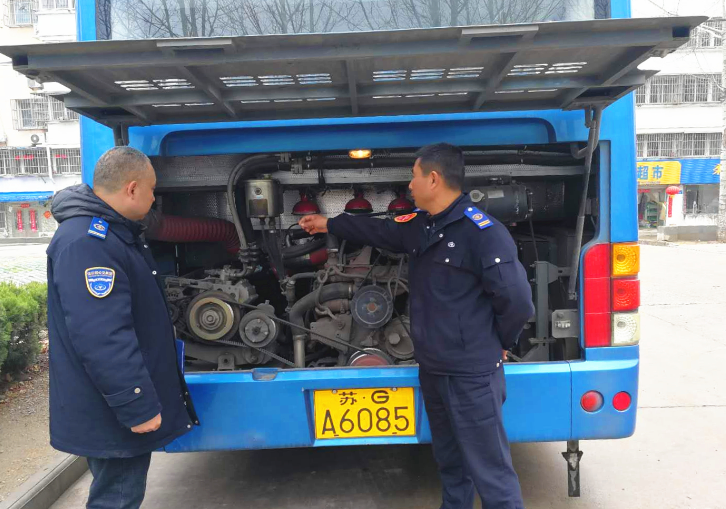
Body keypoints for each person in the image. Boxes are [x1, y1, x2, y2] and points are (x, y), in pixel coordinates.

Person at [299, 143, 534, 509]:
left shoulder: (483, 233)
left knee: (492, 474)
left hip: (471, 376)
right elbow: (377, 231)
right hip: (434, 371)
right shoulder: (423, 225)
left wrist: (502, 341)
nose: (410, 185)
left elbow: (517, 300)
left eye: (414, 176)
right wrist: (328, 223)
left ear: (434, 179)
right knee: (451, 465)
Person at [46, 147, 197, 509]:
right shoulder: (89, 243)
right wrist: (136, 405)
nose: (154, 198)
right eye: (152, 189)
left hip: (110, 404)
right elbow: (102, 336)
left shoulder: (109, 234)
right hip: (110, 410)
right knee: (117, 497)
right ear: (132, 188)